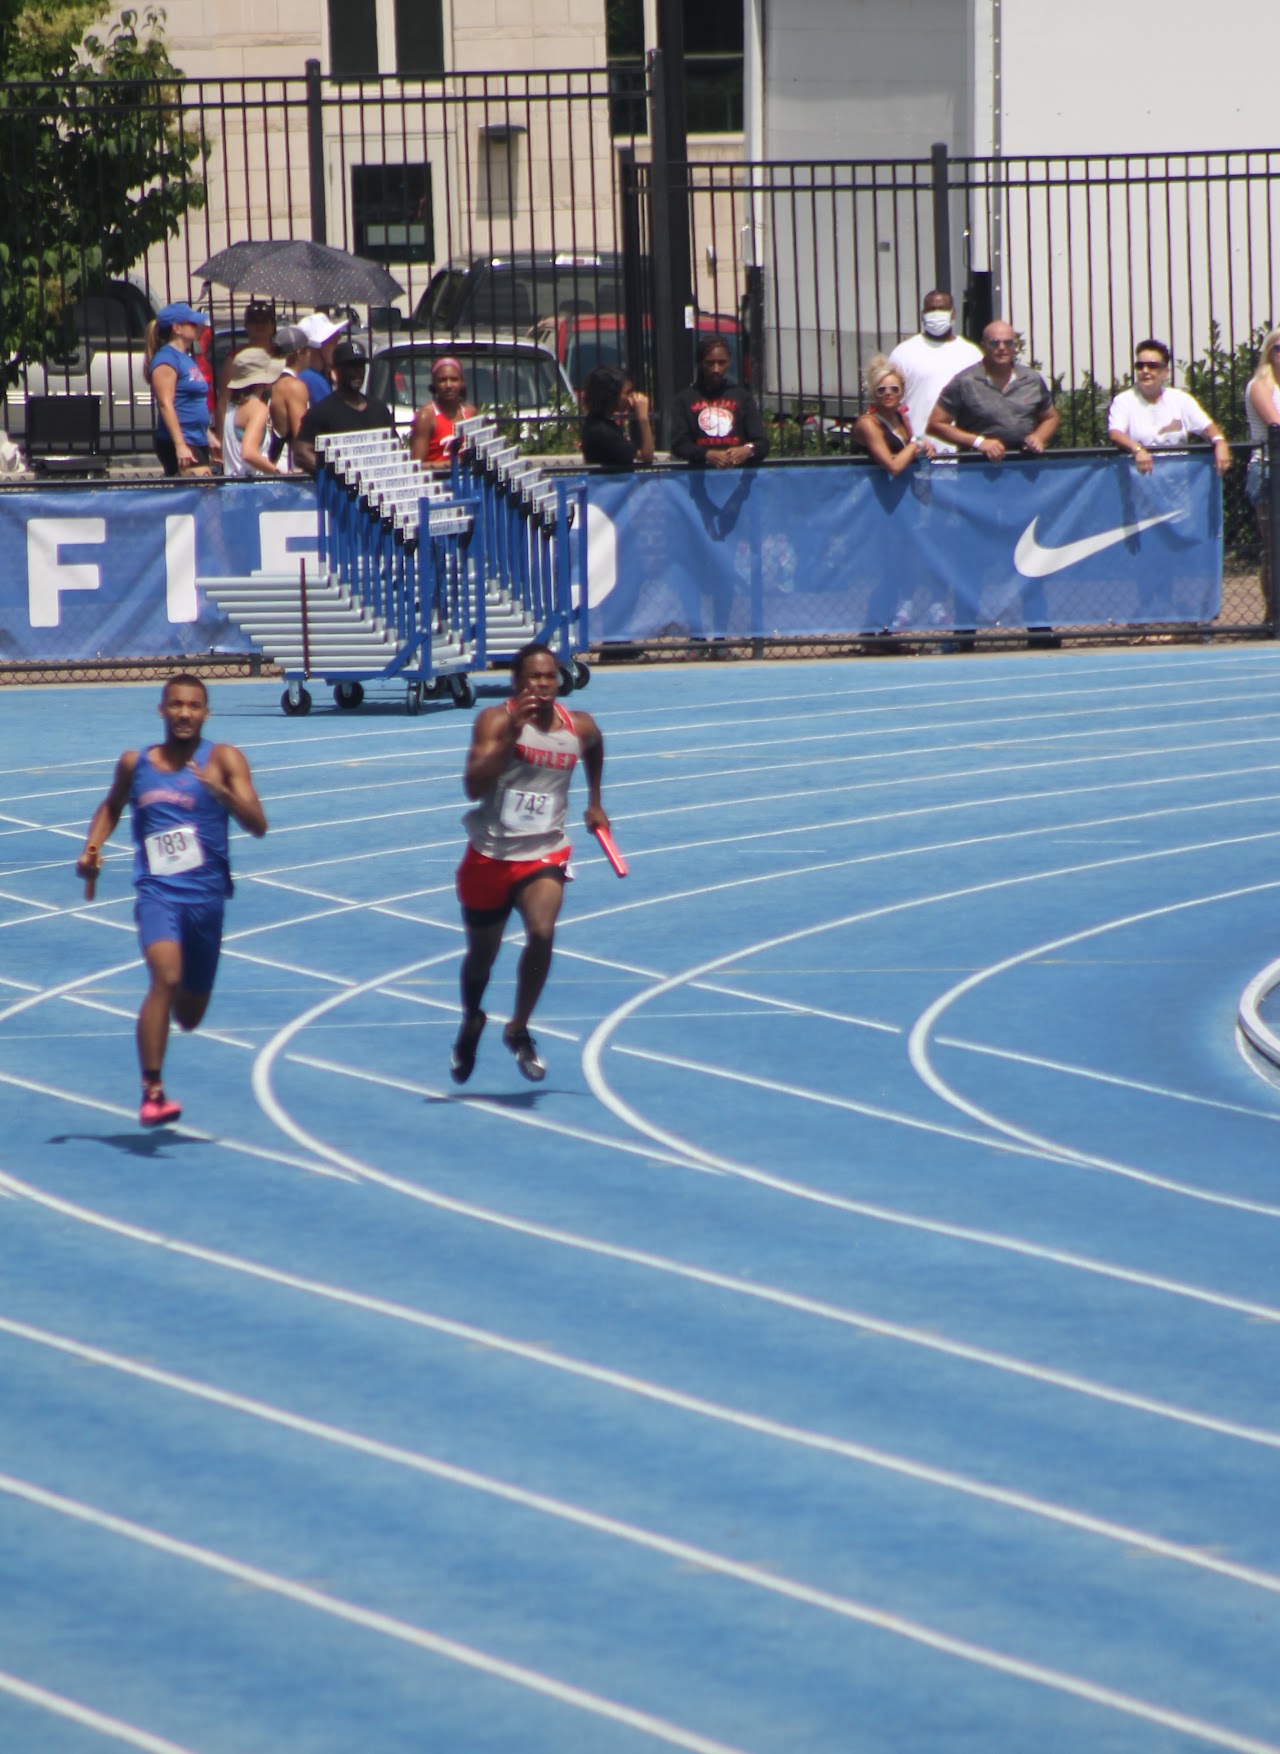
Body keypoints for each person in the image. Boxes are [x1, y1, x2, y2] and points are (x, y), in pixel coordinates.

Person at [75, 675, 268, 1128]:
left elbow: (258, 824)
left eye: (194, 706)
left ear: (206, 713)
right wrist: (92, 847)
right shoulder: (135, 763)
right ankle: (153, 1090)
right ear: (161, 710)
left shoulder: (224, 759)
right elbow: (111, 806)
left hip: (207, 901)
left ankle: (169, 1022)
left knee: (191, 1014)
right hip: (157, 894)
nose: (184, 713)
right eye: (176, 705)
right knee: (165, 977)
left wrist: (221, 793)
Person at [451, 642, 608, 1085]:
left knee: (542, 932)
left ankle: (519, 1027)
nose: (542, 684)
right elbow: (473, 786)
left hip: (544, 850)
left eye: (549, 677)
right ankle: (471, 1020)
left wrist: (595, 802)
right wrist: (510, 737)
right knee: (481, 959)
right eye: (533, 677)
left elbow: (595, 747)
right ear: (517, 682)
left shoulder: (578, 726)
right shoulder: (494, 720)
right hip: (491, 854)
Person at [929, 321, 1061, 646]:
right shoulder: (965, 381)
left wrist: (1039, 437)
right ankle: (964, 633)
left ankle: (1039, 629)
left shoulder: (1032, 379)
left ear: (1015, 346)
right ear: (983, 346)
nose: (1002, 349)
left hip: (1022, 482)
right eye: (994, 343)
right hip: (978, 483)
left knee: (1029, 552)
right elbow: (936, 423)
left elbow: (1051, 416)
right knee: (971, 557)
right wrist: (977, 442)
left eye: (1007, 343)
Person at [1108, 340, 1232, 475]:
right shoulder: (1123, 401)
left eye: (1152, 366)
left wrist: (1220, 442)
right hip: (1139, 484)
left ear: (1165, 372)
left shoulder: (1180, 399)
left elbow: (1207, 427)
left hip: (1177, 485)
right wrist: (1137, 449)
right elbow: (1115, 433)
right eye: (1140, 366)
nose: (1145, 371)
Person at [888, 290, 981, 451]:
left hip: (962, 453)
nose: (937, 314)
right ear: (923, 315)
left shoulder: (972, 354)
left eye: (942, 309)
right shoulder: (903, 353)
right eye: (931, 310)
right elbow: (891, 406)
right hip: (919, 452)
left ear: (953, 314)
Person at [292, 339, 395, 477]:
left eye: (360, 366)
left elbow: (394, 447)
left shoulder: (379, 409)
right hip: (341, 494)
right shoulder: (322, 412)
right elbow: (301, 453)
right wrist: (336, 474)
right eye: (351, 366)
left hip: (376, 490)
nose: (357, 372)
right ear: (336, 371)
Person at [668, 333, 768, 468]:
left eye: (721, 363)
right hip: (699, 476)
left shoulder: (743, 397)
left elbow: (762, 443)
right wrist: (706, 454)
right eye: (710, 363)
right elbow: (679, 445)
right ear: (700, 363)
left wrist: (747, 450)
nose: (716, 369)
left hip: (737, 477)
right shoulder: (684, 400)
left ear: (729, 362)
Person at [150, 302, 216, 476]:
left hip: (197, 438)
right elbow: (165, 404)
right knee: (204, 494)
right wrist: (180, 445)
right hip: (182, 440)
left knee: (202, 495)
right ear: (177, 328)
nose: (198, 327)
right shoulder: (166, 359)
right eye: (192, 323)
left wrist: (208, 435)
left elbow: (191, 401)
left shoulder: (186, 357)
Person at [852, 355, 935, 474]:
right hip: (866, 489)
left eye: (894, 389)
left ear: (902, 392)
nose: (888, 394)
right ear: (873, 394)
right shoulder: (868, 424)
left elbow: (909, 450)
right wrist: (917, 443)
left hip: (896, 488)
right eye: (881, 390)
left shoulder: (901, 418)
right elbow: (893, 467)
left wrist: (924, 447)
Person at [1244, 326, 1280, 592]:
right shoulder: (1260, 386)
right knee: (1274, 546)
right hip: (1268, 468)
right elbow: (1275, 425)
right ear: (1269, 353)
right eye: (1278, 349)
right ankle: (1273, 612)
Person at [214, 297, 277, 439]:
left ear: (273, 325)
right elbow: (224, 400)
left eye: (265, 321)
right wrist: (221, 438)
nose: (259, 326)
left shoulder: (281, 355)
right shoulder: (235, 358)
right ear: (247, 326)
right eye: (254, 321)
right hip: (245, 425)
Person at [221, 346, 285, 477]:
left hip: (232, 488)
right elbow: (248, 453)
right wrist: (278, 473)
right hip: (254, 491)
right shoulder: (258, 409)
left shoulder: (232, 405)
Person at [579, 363, 654, 467]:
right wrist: (643, 419)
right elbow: (647, 456)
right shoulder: (601, 431)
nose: (630, 398)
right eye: (627, 393)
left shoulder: (603, 424)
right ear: (611, 395)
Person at [409, 356, 478, 468]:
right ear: (434, 384)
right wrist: (446, 466)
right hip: (438, 482)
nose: (448, 385)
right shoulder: (426, 416)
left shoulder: (470, 413)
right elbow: (415, 466)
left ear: (462, 382)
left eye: (454, 379)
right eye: (442, 380)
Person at [267, 323, 313, 470]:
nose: (310, 354)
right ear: (300, 353)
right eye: (308, 350)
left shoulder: (270, 381)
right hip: (288, 467)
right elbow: (300, 433)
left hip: (272, 462)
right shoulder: (293, 386)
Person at [298, 311, 349, 402]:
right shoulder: (313, 379)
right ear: (317, 346)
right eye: (333, 343)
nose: (337, 348)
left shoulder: (310, 375)